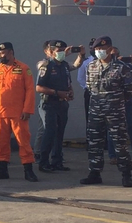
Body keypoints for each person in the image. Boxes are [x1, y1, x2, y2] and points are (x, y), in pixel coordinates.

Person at [80, 36, 132, 187]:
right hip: (96, 111)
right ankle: (94, 173)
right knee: (94, 143)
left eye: (101, 49)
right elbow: (89, 87)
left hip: (115, 111)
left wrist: (115, 101)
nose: (99, 52)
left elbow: (129, 90)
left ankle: (126, 174)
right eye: (96, 49)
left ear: (110, 49)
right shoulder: (91, 66)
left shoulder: (122, 67)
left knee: (120, 143)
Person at [0, 42, 38, 182]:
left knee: (23, 142)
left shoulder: (23, 68)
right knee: (2, 142)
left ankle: (28, 171)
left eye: (3, 53)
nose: (1, 56)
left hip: (18, 114)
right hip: (0, 113)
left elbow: (30, 91)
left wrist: (27, 109)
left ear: (11, 52)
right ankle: (2, 170)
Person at [33, 41, 86, 162]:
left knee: (59, 133)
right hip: (49, 103)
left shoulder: (64, 66)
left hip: (62, 103)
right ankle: (44, 161)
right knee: (49, 132)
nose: (62, 53)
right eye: (59, 51)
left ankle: (57, 160)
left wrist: (70, 91)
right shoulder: (45, 65)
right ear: (50, 52)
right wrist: (57, 93)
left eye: (63, 50)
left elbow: (69, 79)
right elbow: (38, 88)